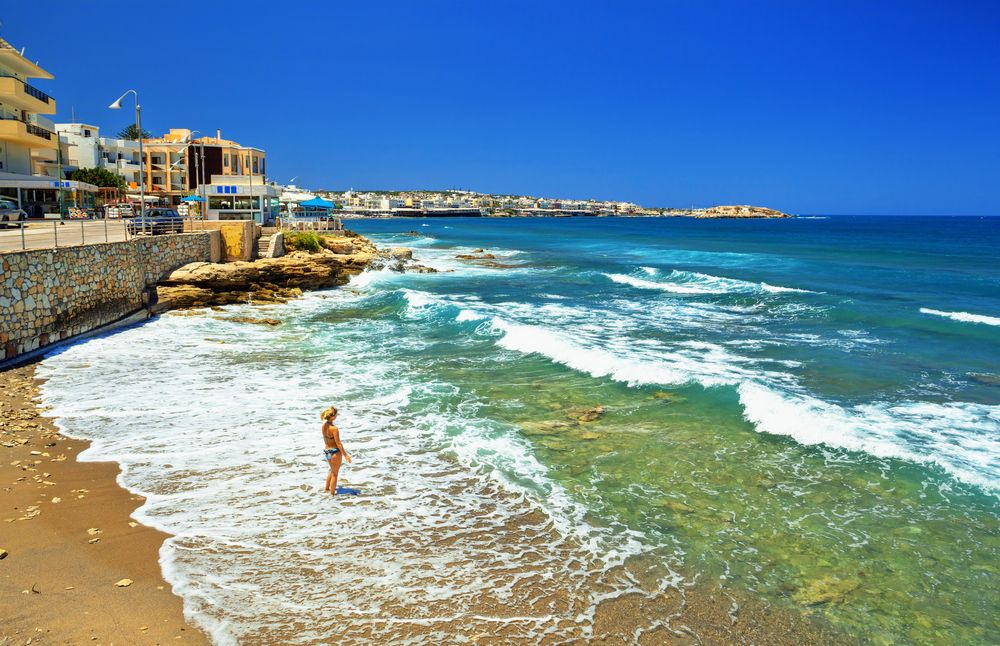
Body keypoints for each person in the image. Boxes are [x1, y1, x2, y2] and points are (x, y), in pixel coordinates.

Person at [321, 406, 352, 495]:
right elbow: (338, 443)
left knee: (332, 470)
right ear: (333, 416)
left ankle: (326, 489)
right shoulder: (334, 429)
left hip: (327, 451)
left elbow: (326, 439)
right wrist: (346, 455)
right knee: (335, 474)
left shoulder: (324, 426)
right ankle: (332, 495)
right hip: (335, 452)